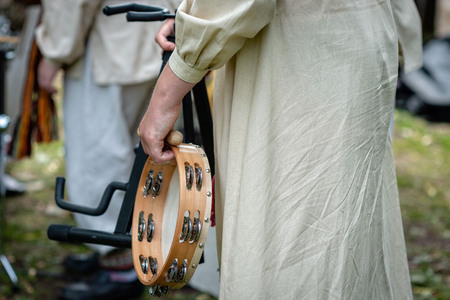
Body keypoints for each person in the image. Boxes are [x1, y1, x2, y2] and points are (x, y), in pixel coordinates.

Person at [139, 0, 423, 299]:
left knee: (290, 244)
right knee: (338, 233)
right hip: (347, 39)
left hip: (296, 59)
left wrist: (173, 84)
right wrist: (197, 20)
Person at [35, 0, 179, 299]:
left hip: (110, 41)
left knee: (100, 157)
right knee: (137, 154)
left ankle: (122, 265)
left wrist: (55, 51)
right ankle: (136, 251)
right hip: (155, 30)